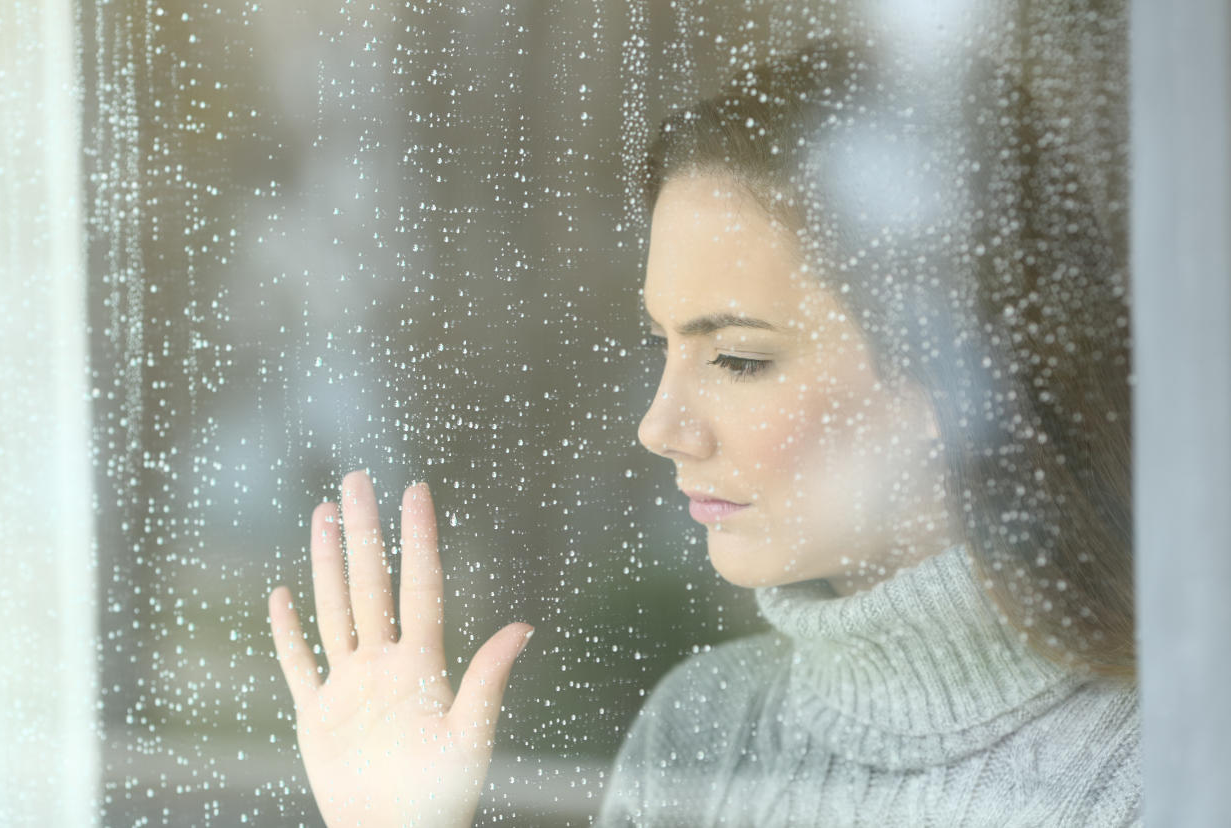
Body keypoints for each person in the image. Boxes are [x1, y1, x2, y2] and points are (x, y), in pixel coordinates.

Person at [267, 41, 1140, 827]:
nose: (659, 426)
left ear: (957, 370)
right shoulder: (700, 732)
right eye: (663, 344)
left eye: (738, 359)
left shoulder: (1168, 766)